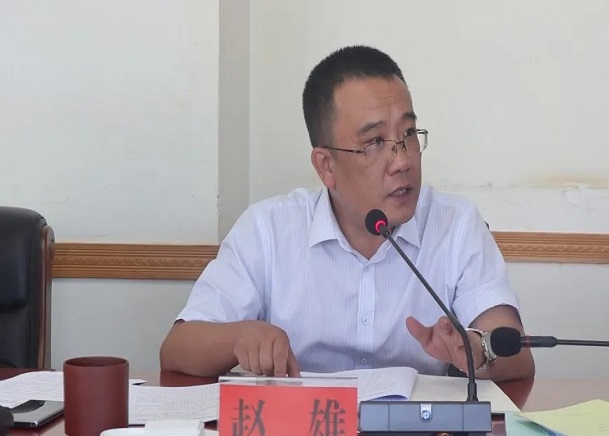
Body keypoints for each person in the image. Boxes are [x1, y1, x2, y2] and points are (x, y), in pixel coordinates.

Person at [160, 45, 535, 381]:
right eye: (375, 142)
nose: (403, 161)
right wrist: (241, 336)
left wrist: (476, 352)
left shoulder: (456, 224)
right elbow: (177, 349)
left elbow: (516, 356)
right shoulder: (267, 230)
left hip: (421, 430)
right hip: (304, 431)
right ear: (326, 166)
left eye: (408, 134)